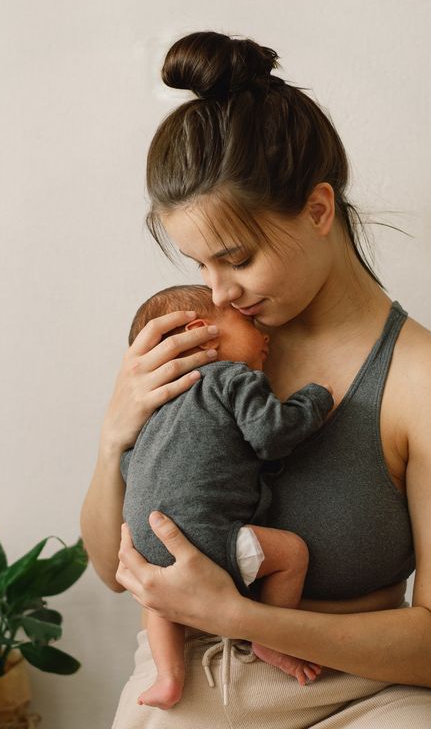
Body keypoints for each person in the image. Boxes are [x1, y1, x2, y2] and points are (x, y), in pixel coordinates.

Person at [79, 31, 431, 728]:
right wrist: (113, 437)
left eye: (237, 258)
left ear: (319, 210)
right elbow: (107, 568)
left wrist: (239, 615)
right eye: (199, 263)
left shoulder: (430, 382)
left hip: (363, 696)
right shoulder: (204, 345)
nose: (219, 292)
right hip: (187, 688)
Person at [122, 283, 335, 709]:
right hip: (206, 539)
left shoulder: (154, 411)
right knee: (291, 552)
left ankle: (167, 677)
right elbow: (272, 434)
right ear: (203, 334)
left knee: (159, 601)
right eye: (250, 323)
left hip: (144, 543)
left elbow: (131, 466)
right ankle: (271, 639)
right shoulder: (232, 377)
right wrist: (314, 400)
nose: (266, 336)